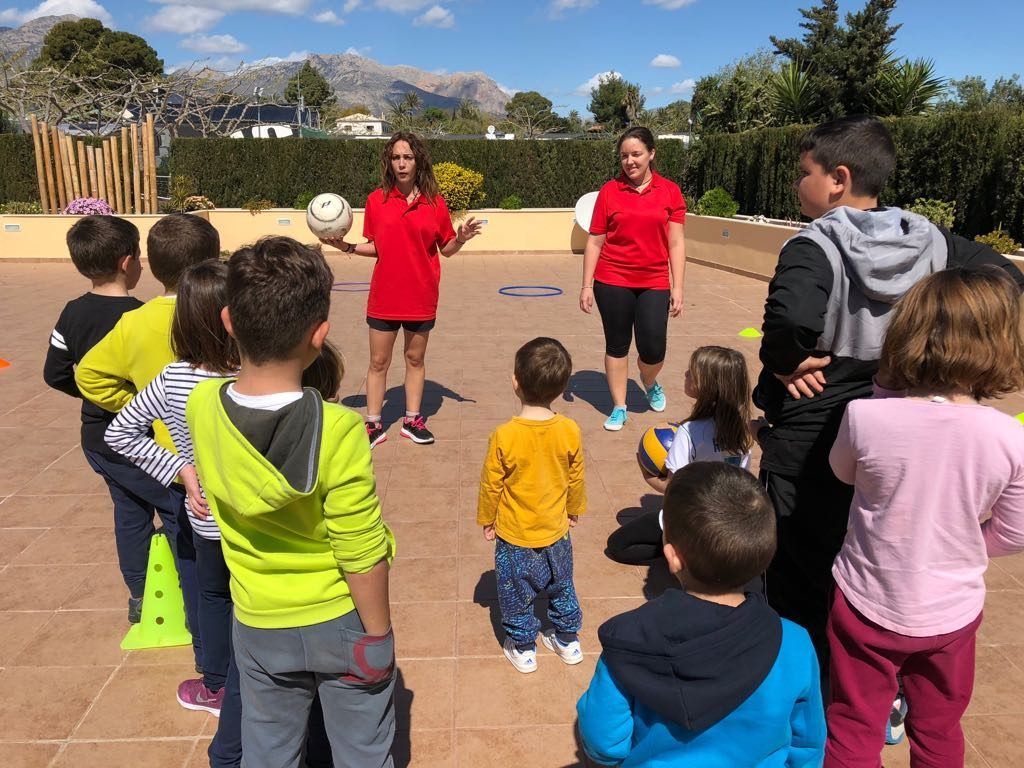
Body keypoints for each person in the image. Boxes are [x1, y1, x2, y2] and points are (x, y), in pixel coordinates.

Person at [752, 115, 1024, 672]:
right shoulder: (929, 238)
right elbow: (1006, 277)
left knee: (797, 553)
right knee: (870, 546)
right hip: (900, 420)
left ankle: (803, 677)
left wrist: (784, 361)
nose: (797, 183)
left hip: (814, 421)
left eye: (804, 172)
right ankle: (879, 678)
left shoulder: (812, 244)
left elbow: (790, 318)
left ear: (838, 178)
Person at [186, 236, 396, 768]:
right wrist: (379, 636)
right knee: (363, 754)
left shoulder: (200, 405)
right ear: (319, 335)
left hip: (258, 622)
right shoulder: (341, 430)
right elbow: (360, 547)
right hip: (341, 620)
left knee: (269, 752)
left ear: (229, 321)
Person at [825, 268, 1024, 768]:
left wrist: (884, 395)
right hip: (951, 613)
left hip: (866, 601)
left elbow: (842, 473)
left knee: (853, 723)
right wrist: (965, 541)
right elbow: (1015, 531)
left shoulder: (866, 417)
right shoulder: (1009, 438)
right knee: (938, 730)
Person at [577, 463, 825, 767]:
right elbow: (807, 746)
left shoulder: (628, 641)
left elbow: (604, 742)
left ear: (672, 557)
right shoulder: (794, 643)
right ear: (765, 558)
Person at [75, 213, 221, 670]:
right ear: (213, 262)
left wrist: (138, 402)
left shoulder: (134, 323)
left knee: (194, 554)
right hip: (226, 452)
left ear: (151, 266)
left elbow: (88, 374)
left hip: (173, 461)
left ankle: (209, 657)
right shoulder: (223, 312)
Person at [104, 260, 238, 723]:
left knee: (214, 597)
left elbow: (119, 433)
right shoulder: (256, 376)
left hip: (205, 519)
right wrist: (182, 467)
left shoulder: (175, 378)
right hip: (260, 518)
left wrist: (181, 469)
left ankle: (218, 685)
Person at [321, 131, 482, 447]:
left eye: (407, 157)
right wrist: (346, 246)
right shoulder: (376, 200)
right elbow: (376, 247)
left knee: (415, 360)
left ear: (418, 160)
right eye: (396, 157)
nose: (402, 163)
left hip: (422, 295)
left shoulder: (435, 203)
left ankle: (412, 420)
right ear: (389, 162)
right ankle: (373, 424)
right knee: (378, 362)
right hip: (384, 296)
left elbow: (445, 249)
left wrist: (461, 237)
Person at [43, 215, 154, 623]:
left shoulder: (72, 313)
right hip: (144, 440)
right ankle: (185, 586)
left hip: (98, 438)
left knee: (129, 512)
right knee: (178, 508)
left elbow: (55, 374)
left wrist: (91, 395)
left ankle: (141, 595)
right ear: (128, 262)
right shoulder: (140, 317)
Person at [477, 337, 586, 673]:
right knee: (562, 583)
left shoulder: (505, 434)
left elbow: (491, 482)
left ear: (516, 382)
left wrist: (487, 518)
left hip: (515, 533)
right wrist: (573, 509)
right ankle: (568, 640)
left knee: (514, 591)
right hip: (557, 530)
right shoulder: (569, 429)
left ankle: (524, 646)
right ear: (563, 385)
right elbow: (576, 477)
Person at [579, 126, 686, 432]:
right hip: (612, 279)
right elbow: (595, 240)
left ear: (652, 154)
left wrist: (677, 286)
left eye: (636, 154)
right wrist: (587, 285)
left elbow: (676, 243)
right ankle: (619, 406)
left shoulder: (670, 192)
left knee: (653, 348)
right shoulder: (609, 192)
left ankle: (649, 381)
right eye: (624, 155)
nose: (630, 161)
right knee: (617, 344)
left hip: (654, 281)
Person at [605, 345, 752, 566]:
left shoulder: (689, 431)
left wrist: (647, 474)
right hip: (726, 522)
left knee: (617, 545)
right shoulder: (744, 433)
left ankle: (684, 554)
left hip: (691, 520)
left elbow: (677, 489)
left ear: (706, 386)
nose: (685, 374)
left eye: (691, 373)